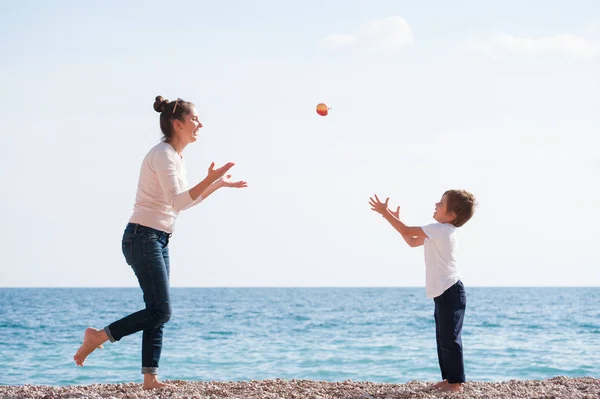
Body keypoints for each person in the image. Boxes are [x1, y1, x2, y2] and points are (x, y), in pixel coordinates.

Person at [73, 95, 247, 389]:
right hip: (142, 237)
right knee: (160, 310)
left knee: (156, 309)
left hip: (156, 238)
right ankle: (98, 336)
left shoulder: (176, 157)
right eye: (194, 119)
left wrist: (215, 184)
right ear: (177, 124)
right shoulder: (163, 155)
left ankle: (150, 378)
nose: (200, 124)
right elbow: (178, 202)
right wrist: (209, 181)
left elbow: (181, 204)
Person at [369, 189, 476, 393]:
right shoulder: (436, 233)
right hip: (443, 292)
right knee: (443, 337)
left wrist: (386, 213)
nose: (436, 204)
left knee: (450, 338)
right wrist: (396, 221)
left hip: (450, 290)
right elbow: (411, 241)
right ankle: (450, 379)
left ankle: (455, 383)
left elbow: (408, 231)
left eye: (441, 203)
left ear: (451, 215)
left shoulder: (441, 230)